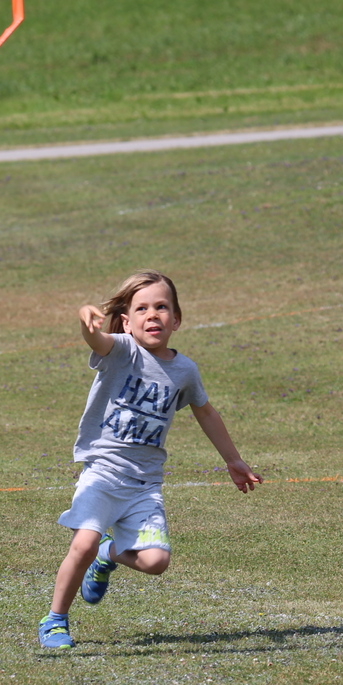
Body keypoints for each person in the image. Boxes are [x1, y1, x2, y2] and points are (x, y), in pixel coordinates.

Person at [39, 270, 262, 648]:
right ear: (127, 321)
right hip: (103, 473)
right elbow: (95, 338)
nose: (152, 315)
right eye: (141, 308)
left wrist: (233, 460)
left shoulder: (184, 370)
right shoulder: (122, 350)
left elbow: (205, 412)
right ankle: (55, 621)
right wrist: (84, 316)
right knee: (83, 544)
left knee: (156, 562)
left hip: (145, 483)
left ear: (176, 319)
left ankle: (109, 552)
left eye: (161, 307)